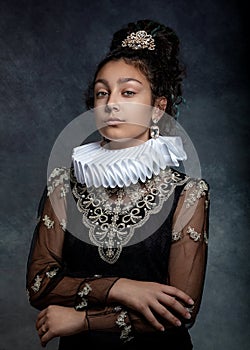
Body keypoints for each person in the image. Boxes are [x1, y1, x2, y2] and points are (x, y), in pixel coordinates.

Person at [26, 19, 210, 349]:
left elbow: (180, 312)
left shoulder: (189, 194)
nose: (112, 102)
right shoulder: (62, 186)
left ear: (157, 108)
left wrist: (82, 320)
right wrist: (120, 287)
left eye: (128, 92)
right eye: (102, 92)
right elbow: (40, 285)